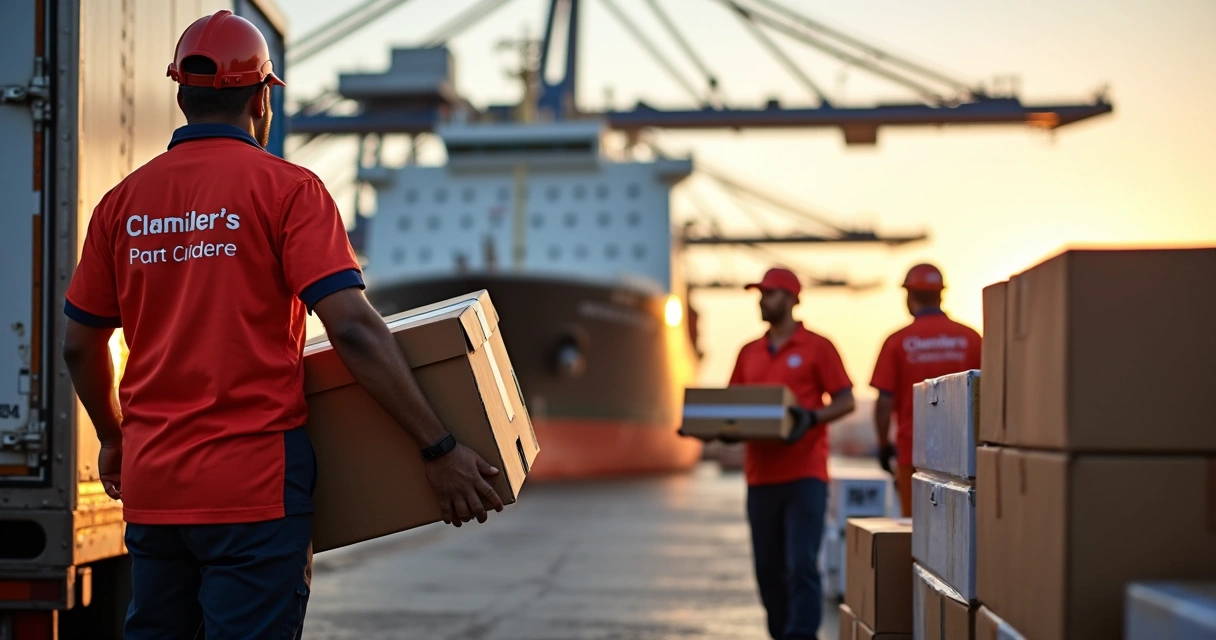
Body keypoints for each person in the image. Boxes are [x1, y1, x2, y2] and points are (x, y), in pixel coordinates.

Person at [60, 11, 503, 639]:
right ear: (263, 99)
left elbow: (81, 345)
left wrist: (114, 438)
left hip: (155, 494)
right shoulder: (288, 191)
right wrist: (438, 447)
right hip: (254, 495)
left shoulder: (121, 205)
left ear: (181, 97)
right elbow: (351, 328)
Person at [728, 267, 855, 640]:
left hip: (805, 475)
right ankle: (781, 633)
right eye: (760, 294)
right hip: (760, 476)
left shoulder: (818, 347)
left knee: (800, 564)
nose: (762, 301)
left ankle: (800, 636)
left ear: (793, 298)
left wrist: (812, 417)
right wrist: (719, 431)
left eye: (770, 294)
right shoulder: (748, 352)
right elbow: (733, 405)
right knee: (768, 570)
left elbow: (845, 400)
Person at [869, 264, 982, 517]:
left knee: (918, 531)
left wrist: (882, 444)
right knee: (963, 528)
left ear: (909, 295)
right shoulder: (971, 339)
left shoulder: (897, 342)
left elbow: (884, 403)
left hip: (914, 453)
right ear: (941, 294)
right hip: (965, 455)